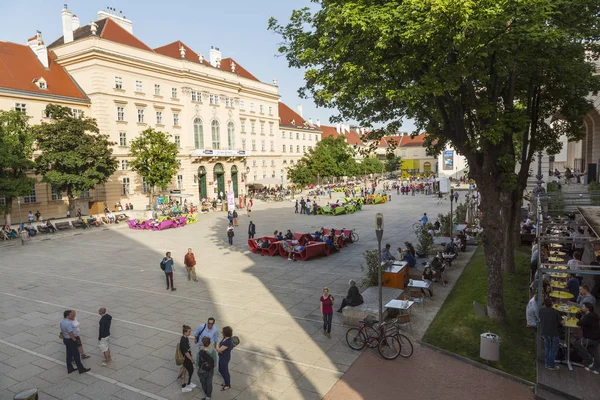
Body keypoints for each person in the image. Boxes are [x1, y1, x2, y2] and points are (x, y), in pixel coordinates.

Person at [60, 310, 90, 374]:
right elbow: (70, 333)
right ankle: (81, 369)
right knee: (76, 355)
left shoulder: (62, 322)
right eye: (72, 314)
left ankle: (70, 368)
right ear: (68, 315)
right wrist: (74, 340)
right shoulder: (68, 323)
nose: (74, 315)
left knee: (69, 355)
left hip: (66, 339)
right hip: (70, 340)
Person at [574, 302, 600, 374]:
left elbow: (579, 323)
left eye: (583, 307)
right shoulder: (592, 315)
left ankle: (589, 361)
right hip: (596, 338)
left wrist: (579, 313)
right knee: (594, 352)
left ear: (587, 308)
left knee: (577, 344)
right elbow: (581, 321)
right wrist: (580, 314)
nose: (581, 308)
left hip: (590, 338)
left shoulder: (589, 316)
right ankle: (596, 368)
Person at [539, 298, 564, 371]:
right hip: (554, 333)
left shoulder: (541, 311)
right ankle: (550, 365)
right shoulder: (555, 312)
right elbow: (562, 322)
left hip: (545, 332)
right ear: (552, 304)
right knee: (553, 349)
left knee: (547, 347)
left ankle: (547, 363)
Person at [179, 325, 196, 393]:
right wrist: (191, 359)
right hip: (186, 359)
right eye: (189, 331)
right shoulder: (183, 340)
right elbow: (186, 352)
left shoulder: (186, 338)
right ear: (185, 332)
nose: (190, 333)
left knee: (189, 370)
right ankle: (184, 386)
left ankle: (188, 383)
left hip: (187, 358)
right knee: (186, 371)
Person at [217, 326, 234, 391]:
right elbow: (220, 345)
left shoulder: (228, 342)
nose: (222, 332)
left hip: (224, 358)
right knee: (220, 370)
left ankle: (228, 384)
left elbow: (218, 349)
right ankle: (226, 381)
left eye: (223, 332)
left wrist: (217, 348)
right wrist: (219, 349)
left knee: (225, 371)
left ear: (225, 333)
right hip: (221, 356)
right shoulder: (224, 338)